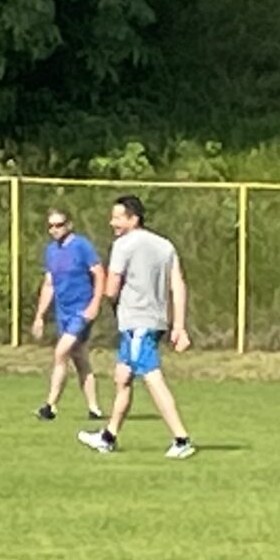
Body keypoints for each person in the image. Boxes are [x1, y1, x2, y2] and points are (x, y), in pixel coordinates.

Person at [77, 195, 195, 458]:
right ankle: (108, 437)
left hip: (137, 323)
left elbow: (111, 289)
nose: (112, 223)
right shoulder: (165, 245)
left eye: (118, 217)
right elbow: (178, 285)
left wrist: (102, 293)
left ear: (134, 219)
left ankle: (181, 439)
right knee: (123, 377)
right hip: (153, 322)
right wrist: (179, 325)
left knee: (152, 377)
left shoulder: (123, 245)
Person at [32, 209, 106, 423]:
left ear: (69, 225)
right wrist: (40, 316)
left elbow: (99, 274)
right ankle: (94, 408)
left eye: (59, 225)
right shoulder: (51, 251)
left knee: (60, 352)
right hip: (63, 312)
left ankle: (50, 406)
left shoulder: (82, 246)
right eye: (51, 226)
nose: (54, 230)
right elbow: (49, 284)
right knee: (80, 358)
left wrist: (95, 304)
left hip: (81, 310)